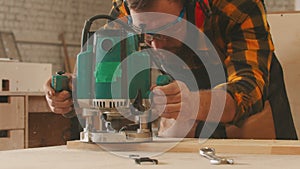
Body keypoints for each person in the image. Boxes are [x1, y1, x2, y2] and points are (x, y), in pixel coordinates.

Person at [44, 0, 298, 140]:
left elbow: (247, 90)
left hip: (248, 102)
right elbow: (106, 66)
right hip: (185, 96)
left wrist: (193, 103)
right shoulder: (126, 8)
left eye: (165, 31)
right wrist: (75, 88)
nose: (154, 44)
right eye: (145, 34)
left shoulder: (236, 6)